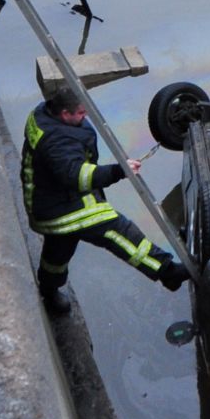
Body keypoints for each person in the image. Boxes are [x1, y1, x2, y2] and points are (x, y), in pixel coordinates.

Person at [23, 86, 190, 313]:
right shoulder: (57, 144)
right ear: (65, 114)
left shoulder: (42, 113)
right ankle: (168, 272)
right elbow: (77, 176)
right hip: (59, 207)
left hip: (48, 197)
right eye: (81, 114)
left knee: (58, 249)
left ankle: (49, 290)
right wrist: (119, 171)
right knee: (117, 230)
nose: (85, 117)